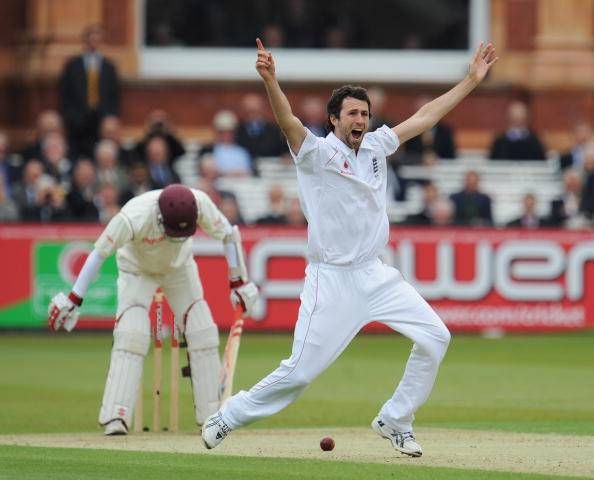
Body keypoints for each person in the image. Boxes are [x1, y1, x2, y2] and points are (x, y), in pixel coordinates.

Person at [202, 38, 497, 456]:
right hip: (332, 279)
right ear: (334, 119)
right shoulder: (315, 153)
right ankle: (228, 415)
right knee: (300, 372)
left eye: (365, 113)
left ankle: (396, 418)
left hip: (375, 274)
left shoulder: (377, 145)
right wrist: (271, 80)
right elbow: (287, 121)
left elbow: (425, 117)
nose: (360, 119)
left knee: (436, 336)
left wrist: (470, 80)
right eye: (353, 114)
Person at [47, 184, 259, 435]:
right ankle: (116, 415)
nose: (178, 237)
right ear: (160, 217)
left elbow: (228, 234)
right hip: (137, 270)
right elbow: (98, 253)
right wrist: (74, 298)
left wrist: (238, 281)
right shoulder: (133, 216)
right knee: (132, 332)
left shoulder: (199, 203)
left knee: (202, 329)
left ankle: (212, 416)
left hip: (179, 269)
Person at [59, 25, 120, 159]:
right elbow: (64, 94)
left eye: (97, 39)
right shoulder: (72, 65)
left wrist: (110, 117)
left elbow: (114, 96)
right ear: (85, 40)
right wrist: (70, 116)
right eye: (91, 38)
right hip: (77, 122)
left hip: (101, 121)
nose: (94, 42)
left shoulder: (109, 67)